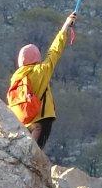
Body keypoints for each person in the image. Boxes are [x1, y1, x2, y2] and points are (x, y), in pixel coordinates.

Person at [10, 12, 77, 149]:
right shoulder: (41, 71)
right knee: (36, 143)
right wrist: (66, 25)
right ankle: (31, 153)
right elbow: (54, 52)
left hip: (21, 120)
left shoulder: (16, 76)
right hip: (39, 120)